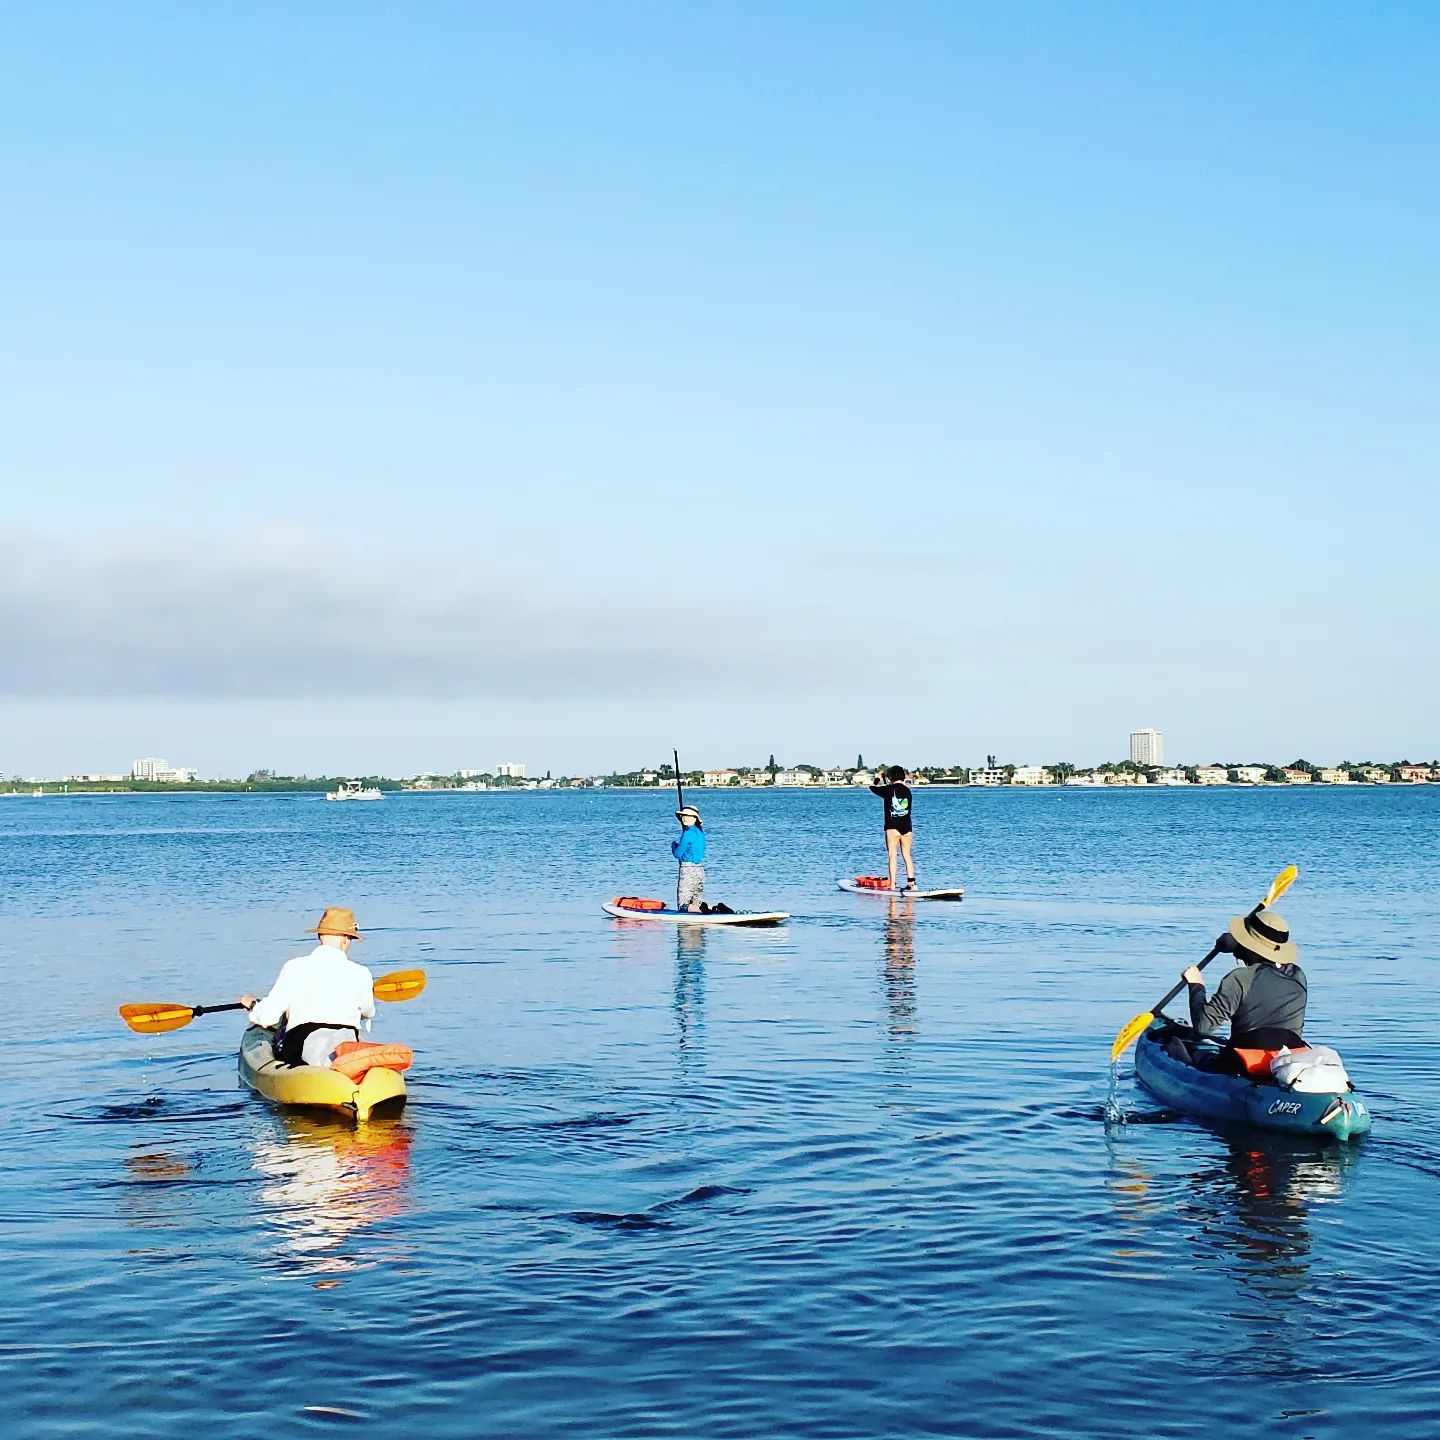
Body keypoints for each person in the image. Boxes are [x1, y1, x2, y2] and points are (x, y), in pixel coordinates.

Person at [239, 906, 377, 1067]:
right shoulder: (361, 973)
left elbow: (268, 1017)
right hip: (344, 1047)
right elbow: (369, 1012)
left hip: (299, 1048)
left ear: (320, 935)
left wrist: (253, 1005)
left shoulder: (294, 967)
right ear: (346, 939)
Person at [1181, 907, 1308, 1060]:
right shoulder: (1297, 976)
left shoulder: (1240, 978)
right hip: (1285, 1060)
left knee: (1177, 1047)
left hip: (1241, 1063)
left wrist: (1196, 985)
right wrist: (1237, 945)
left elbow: (1203, 1027)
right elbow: (1264, 964)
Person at [868, 764, 916, 891]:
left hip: (892, 826)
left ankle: (893, 884)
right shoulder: (908, 791)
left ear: (890, 777)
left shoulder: (888, 790)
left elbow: (873, 788)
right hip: (907, 826)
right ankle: (911, 882)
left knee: (892, 855)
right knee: (907, 855)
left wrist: (878, 778)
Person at [672, 805, 706, 912]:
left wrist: (673, 846)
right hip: (699, 870)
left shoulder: (688, 833)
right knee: (696, 904)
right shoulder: (700, 832)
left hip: (687, 870)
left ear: (695, 818)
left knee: (683, 906)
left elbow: (677, 854)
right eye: (683, 816)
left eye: (688, 816)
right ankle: (709, 910)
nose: (684, 818)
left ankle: (705, 912)